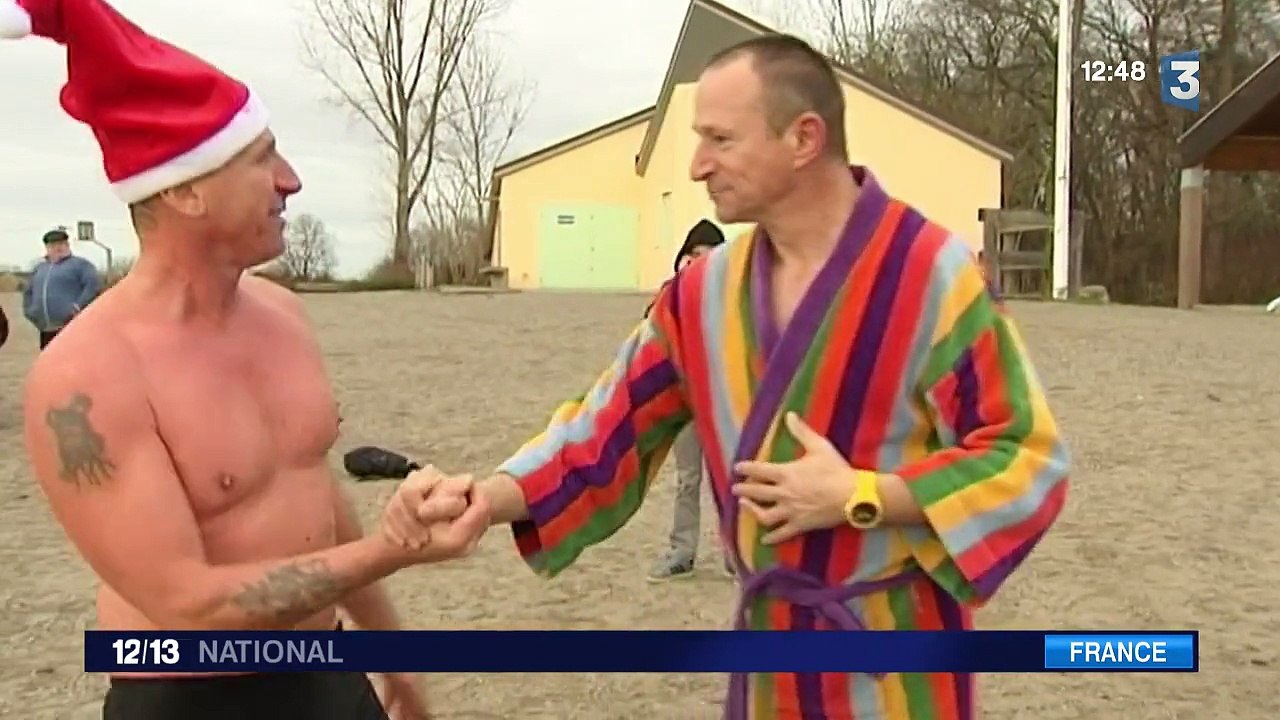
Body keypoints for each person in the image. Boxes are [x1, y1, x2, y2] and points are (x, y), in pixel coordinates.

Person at [387, 33, 1070, 720]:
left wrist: (866, 495)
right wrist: (485, 495)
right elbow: (604, 431)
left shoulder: (931, 275)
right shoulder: (700, 296)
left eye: (720, 139)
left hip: (896, 672)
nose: (695, 166)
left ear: (803, 138)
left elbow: (1025, 458)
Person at [5, 1, 486, 718]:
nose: (291, 181)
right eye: (262, 159)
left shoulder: (282, 314)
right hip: (188, 696)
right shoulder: (88, 375)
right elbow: (185, 603)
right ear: (185, 189)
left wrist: (390, 655)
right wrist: (395, 548)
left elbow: (314, 495)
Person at [646, 219, 729, 582]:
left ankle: (736, 554)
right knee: (687, 480)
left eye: (710, 255)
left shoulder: (734, 299)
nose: (700, 262)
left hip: (724, 406)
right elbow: (650, 341)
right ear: (683, 258)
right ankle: (682, 552)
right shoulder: (669, 297)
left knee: (730, 481)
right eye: (694, 255)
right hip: (686, 406)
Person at [22, 227, 102, 350]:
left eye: (61, 244)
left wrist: (78, 306)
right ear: (47, 248)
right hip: (46, 329)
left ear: (68, 245)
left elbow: (93, 286)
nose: (58, 247)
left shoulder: (81, 265)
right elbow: (28, 292)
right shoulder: (39, 268)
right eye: (53, 245)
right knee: (49, 365)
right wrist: (29, 311)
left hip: (72, 327)